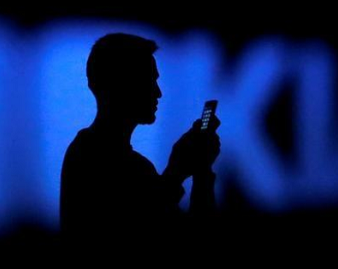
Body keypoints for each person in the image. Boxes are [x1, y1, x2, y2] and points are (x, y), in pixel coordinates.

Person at [60, 33, 220, 246]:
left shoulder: (85, 152)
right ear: (120, 84)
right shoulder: (91, 158)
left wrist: (200, 171)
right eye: (148, 80)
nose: (158, 92)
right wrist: (178, 172)